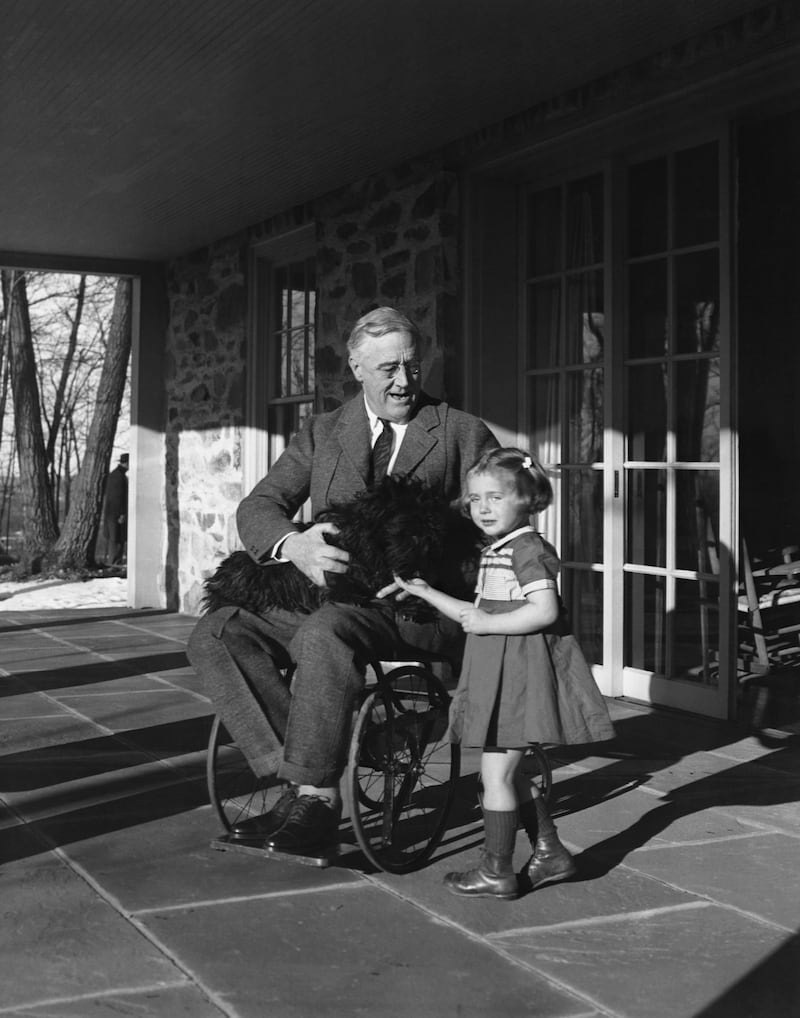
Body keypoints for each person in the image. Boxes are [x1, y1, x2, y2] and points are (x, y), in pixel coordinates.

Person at [187, 306, 498, 857]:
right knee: (218, 632)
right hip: (331, 596)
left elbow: (494, 532)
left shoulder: (460, 432)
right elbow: (260, 504)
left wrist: (439, 579)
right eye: (388, 370)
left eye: (412, 366)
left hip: (412, 608)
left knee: (325, 633)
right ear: (357, 367)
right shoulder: (326, 430)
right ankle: (302, 778)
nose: (404, 381)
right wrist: (295, 545)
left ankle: (318, 800)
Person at [393, 447, 615, 899]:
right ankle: (550, 853)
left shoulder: (528, 549)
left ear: (528, 499)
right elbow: (474, 613)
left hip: (518, 678)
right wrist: (426, 592)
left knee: (494, 777)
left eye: (495, 497)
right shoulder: (500, 549)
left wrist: (490, 623)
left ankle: (498, 871)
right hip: (500, 674)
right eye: (475, 499)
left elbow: (544, 610)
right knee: (506, 774)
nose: (483, 508)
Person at [103, 453, 129, 566]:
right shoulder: (117, 476)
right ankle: (114, 564)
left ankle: (115, 563)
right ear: (127, 463)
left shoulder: (117, 474)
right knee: (116, 539)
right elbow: (116, 497)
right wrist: (121, 514)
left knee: (118, 539)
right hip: (115, 514)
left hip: (113, 513)